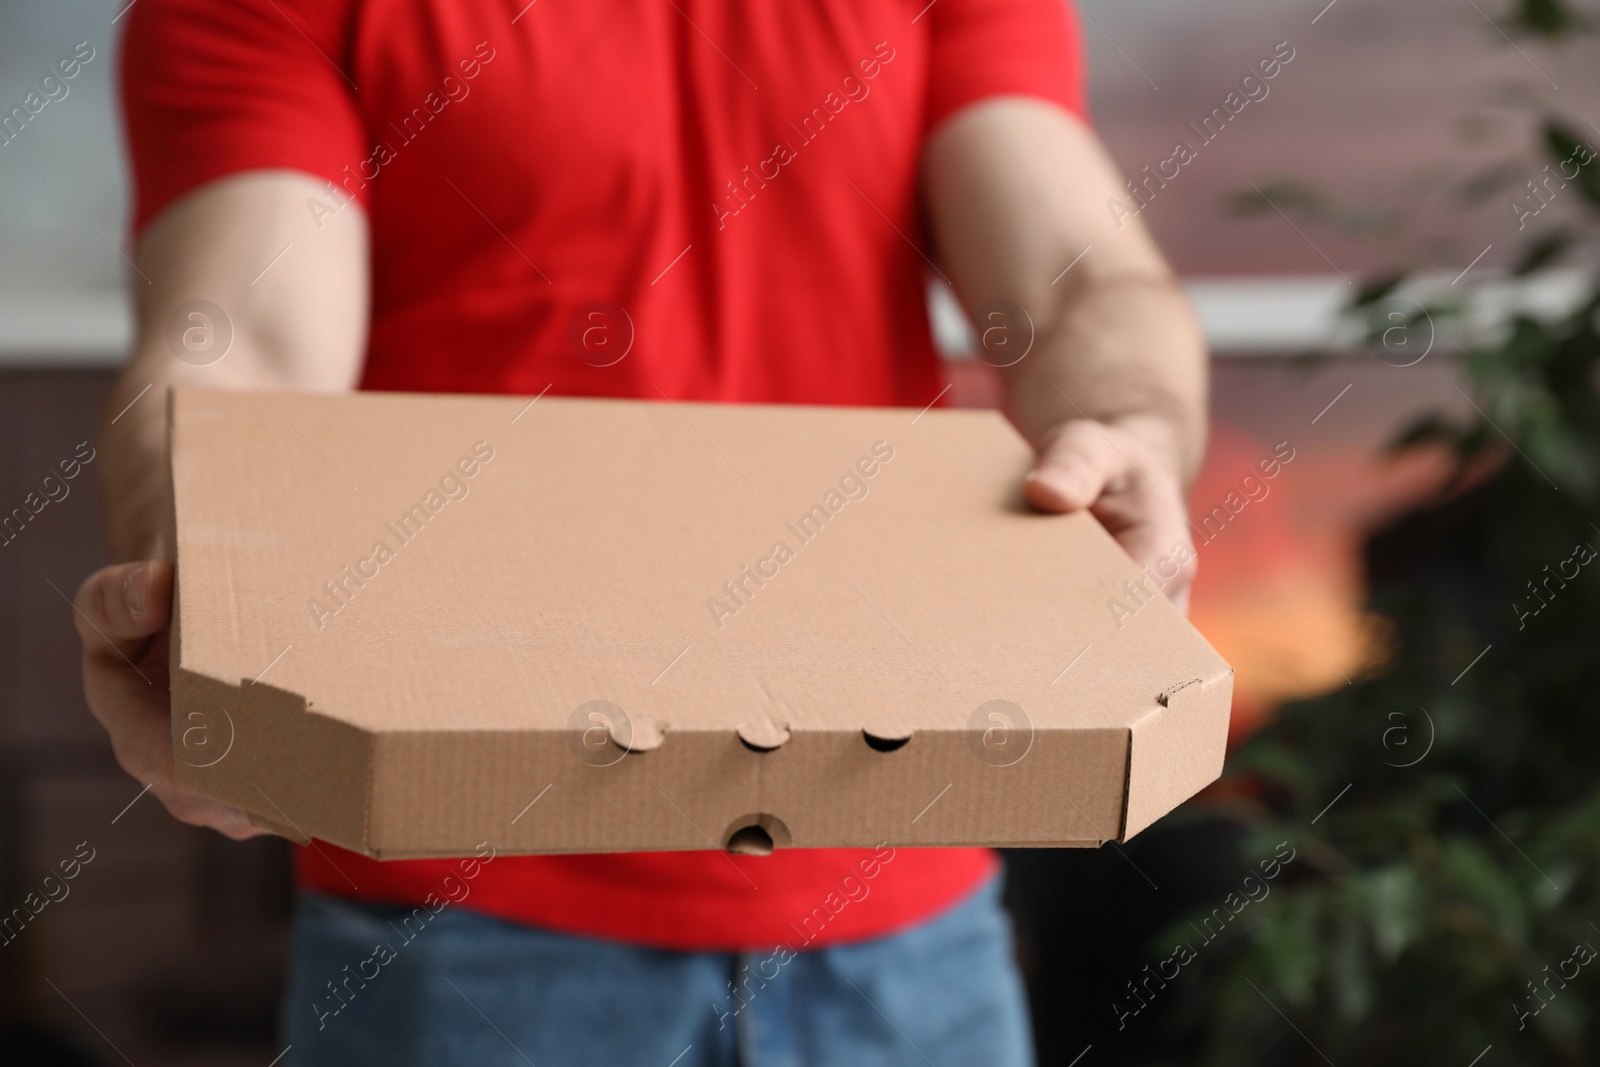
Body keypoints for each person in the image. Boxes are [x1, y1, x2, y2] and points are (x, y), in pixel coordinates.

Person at [74, 0, 1206, 1062]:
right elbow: (249, 348)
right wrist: (203, 605)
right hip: (465, 916)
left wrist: (1131, 432)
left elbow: (1073, 285)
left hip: (911, 910)